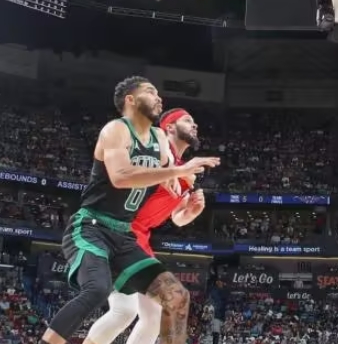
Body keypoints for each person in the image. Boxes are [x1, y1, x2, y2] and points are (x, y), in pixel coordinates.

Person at [41, 76, 220, 344]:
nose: (159, 97)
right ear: (131, 99)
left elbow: (170, 190)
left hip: (126, 237)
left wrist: (186, 204)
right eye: (151, 91)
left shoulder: (160, 141)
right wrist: (177, 171)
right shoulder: (117, 129)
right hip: (94, 226)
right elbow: (121, 177)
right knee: (103, 294)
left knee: (175, 298)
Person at [82, 108, 208, 344]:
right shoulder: (152, 152)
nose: (195, 125)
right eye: (188, 120)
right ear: (169, 127)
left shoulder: (184, 171)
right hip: (119, 230)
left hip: (141, 238)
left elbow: (177, 218)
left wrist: (191, 212)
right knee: (124, 311)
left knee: (153, 317)